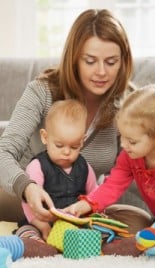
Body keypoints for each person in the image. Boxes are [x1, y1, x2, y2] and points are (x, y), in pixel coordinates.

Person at [0, 9, 136, 225]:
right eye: (90, 61)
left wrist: (92, 203)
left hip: (84, 206)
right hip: (29, 200)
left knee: (139, 221)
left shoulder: (128, 103)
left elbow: (124, 171)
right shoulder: (42, 91)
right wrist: (27, 188)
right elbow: (3, 151)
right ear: (74, 59)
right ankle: (34, 228)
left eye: (111, 62)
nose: (101, 72)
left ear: (123, 61)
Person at [66, 84, 155, 226]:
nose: (123, 145)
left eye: (132, 141)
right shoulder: (129, 156)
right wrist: (86, 204)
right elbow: (113, 185)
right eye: (121, 136)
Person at [20, 99, 98, 241]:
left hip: (74, 225)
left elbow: (95, 196)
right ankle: (35, 245)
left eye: (74, 147)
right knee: (27, 232)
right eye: (59, 145)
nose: (67, 152)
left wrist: (93, 216)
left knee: (98, 232)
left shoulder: (85, 168)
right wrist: (42, 226)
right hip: (41, 222)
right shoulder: (37, 166)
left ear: (82, 141)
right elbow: (28, 203)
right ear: (45, 137)